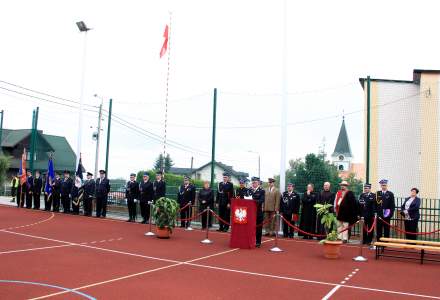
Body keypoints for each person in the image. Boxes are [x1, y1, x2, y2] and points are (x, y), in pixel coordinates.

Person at [248, 177, 265, 248]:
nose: (253, 183)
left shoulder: (262, 191)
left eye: (255, 182)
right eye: (253, 182)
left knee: (258, 227)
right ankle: (250, 240)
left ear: (258, 183)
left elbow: (261, 200)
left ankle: (258, 242)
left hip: (258, 212)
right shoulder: (249, 190)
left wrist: (253, 201)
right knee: (249, 227)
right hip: (250, 212)